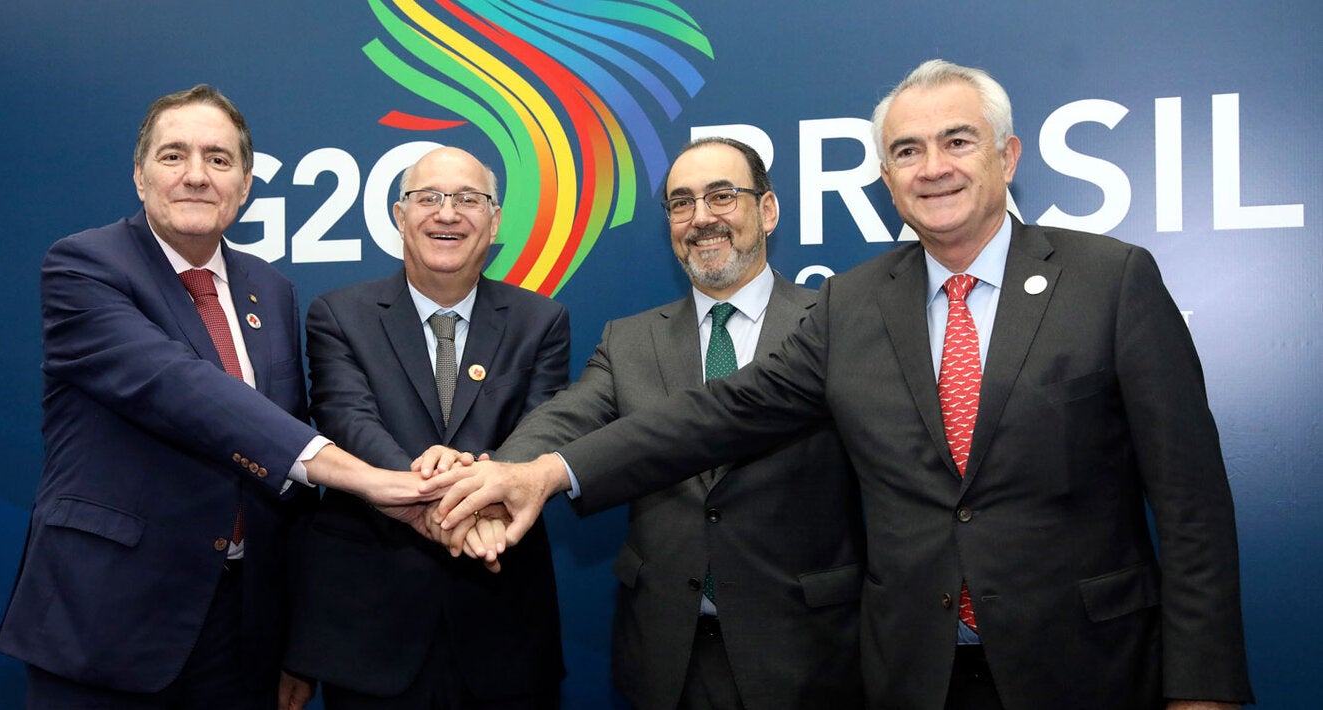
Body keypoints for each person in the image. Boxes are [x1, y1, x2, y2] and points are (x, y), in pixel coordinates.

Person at [426, 60, 1254, 709]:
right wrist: (541, 470)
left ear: (1007, 156)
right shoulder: (856, 305)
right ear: (885, 178)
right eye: (906, 151)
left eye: (957, 142)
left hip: (1087, 669)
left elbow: (1190, 504)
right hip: (912, 676)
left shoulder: (1111, 280)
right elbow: (721, 412)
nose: (932, 168)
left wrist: (1205, 680)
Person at [0, 84, 449, 710]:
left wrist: (296, 641)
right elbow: (180, 388)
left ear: (244, 184)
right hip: (108, 617)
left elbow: (281, 465)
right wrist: (365, 478)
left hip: (241, 629)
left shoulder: (271, 288)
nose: (195, 176)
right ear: (140, 176)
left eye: (218, 159)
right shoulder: (83, 266)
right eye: (173, 155)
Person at [432, 137, 865, 709]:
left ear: (767, 210)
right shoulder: (630, 338)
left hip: (808, 653)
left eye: (722, 196)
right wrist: (495, 480)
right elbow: (566, 418)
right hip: (666, 657)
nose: (701, 218)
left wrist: (533, 478)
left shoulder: (832, 323)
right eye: (681, 203)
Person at [283, 146, 567, 709]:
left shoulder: (542, 320)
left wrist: (473, 479)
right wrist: (435, 484)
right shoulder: (338, 314)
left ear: (494, 219)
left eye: (469, 199)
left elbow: (543, 428)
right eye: (428, 197)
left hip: (503, 623)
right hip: (370, 630)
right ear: (398, 215)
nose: (447, 213)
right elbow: (346, 418)